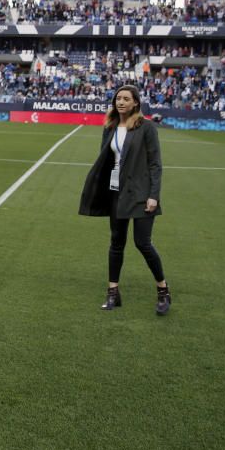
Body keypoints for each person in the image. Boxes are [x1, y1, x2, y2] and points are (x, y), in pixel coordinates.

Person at [79, 84, 171, 315]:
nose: (120, 102)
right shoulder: (110, 126)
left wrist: (153, 196)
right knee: (116, 243)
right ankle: (113, 293)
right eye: (118, 98)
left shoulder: (146, 127)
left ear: (136, 103)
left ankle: (163, 290)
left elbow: (155, 164)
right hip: (116, 192)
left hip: (141, 195)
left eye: (125, 99)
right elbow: (105, 160)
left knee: (143, 243)